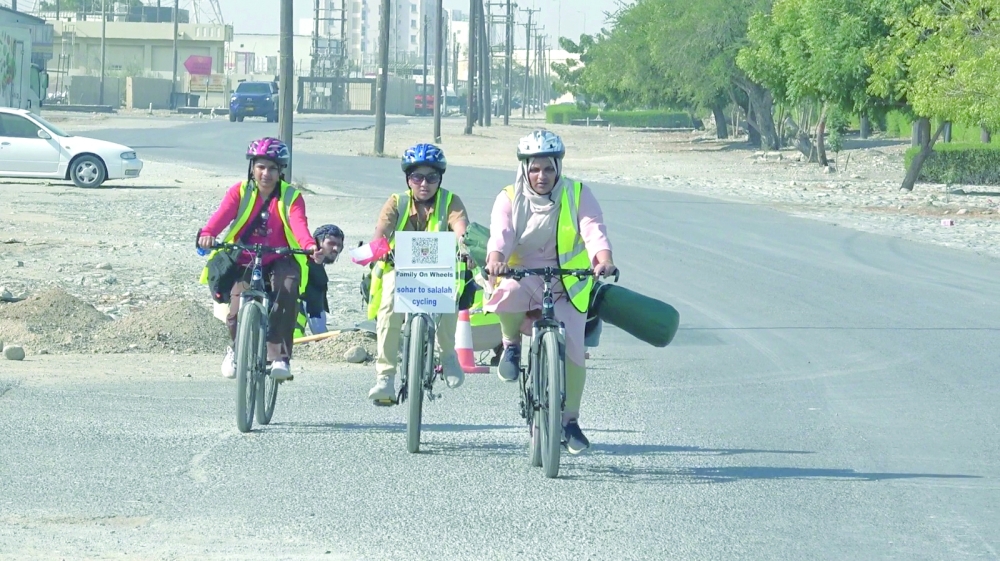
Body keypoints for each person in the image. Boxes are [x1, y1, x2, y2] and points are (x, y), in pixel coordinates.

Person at [483, 129, 617, 454]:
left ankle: (570, 421)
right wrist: (496, 260)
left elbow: (593, 229)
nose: (541, 176)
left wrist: (604, 260)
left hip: (568, 281)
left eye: (548, 168)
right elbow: (501, 234)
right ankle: (511, 345)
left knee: (574, 351)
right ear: (524, 169)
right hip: (524, 274)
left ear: (558, 167)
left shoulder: (577, 193)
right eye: (534, 169)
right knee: (506, 295)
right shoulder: (508, 197)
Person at [198, 137, 319, 381]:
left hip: (280, 257)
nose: (266, 173)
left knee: (286, 289)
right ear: (252, 167)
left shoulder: (291, 197)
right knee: (235, 309)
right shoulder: (239, 191)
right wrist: (208, 234)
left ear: (281, 171)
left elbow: (299, 225)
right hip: (245, 257)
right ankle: (235, 349)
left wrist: (309, 246)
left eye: (272, 168)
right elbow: (222, 216)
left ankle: (279, 357)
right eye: (261, 166)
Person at [362, 142, 470, 403]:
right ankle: (385, 377)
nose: (424, 183)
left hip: (438, 270)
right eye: (417, 177)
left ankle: (448, 356)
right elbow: (381, 231)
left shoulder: (450, 201)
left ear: (440, 178)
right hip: (399, 268)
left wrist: (464, 246)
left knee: (448, 299)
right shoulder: (396, 202)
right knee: (388, 306)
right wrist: (379, 249)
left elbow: (460, 227)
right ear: (408, 179)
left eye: (432, 177)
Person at [302, 224, 346, 335]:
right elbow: (317, 324)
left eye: (339, 245)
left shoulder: (305, 262)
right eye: (331, 243)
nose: (336, 249)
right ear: (317, 242)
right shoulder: (312, 271)